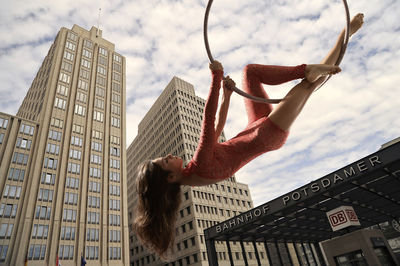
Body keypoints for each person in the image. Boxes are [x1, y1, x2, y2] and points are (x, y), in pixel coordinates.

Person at [133, 13, 364, 257]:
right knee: (308, 84)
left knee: (251, 72)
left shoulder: (194, 169)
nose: (169, 154)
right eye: (165, 160)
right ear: (170, 177)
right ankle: (334, 44)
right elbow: (207, 120)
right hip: (267, 134)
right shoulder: (200, 166)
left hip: (256, 126)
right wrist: (216, 76)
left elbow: (217, 128)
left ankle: (328, 51)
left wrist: (227, 95)